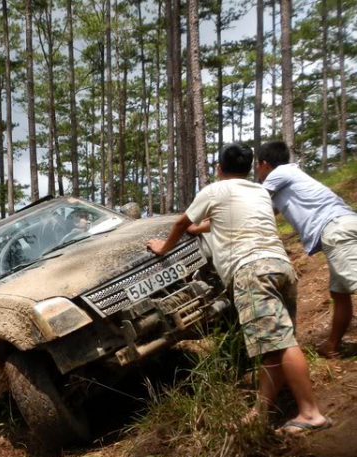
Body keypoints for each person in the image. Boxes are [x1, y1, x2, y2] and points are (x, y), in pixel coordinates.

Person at [147, 143, 331, 433]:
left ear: (219, 169)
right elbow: (226, 221)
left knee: (281, 344)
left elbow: (183, 222)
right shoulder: (259, 191)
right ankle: (260, 412)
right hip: (281, 267)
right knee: (275, 347)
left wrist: (162, 248)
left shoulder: (213, 191)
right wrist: (201, 229)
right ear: (249, 168)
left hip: (251, 271)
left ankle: (310, 413)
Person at [257, 141, 357, 358]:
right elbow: (266, 212)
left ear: (264, 164)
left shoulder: (280, 173)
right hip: (340, 226)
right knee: (340, 292)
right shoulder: (288, 178)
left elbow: (254, 202)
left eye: (258, 166)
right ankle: (332, 346)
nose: (258, 172)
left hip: (336, 229)